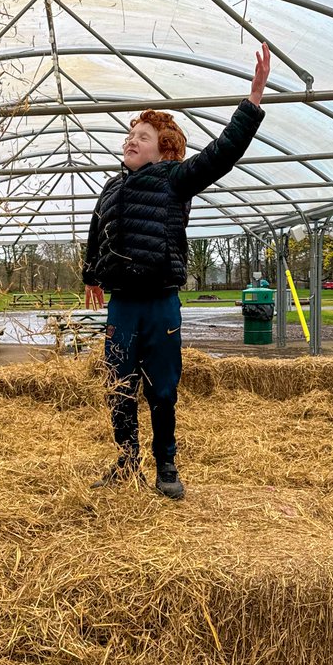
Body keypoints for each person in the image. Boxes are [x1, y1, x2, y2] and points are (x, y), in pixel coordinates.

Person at [82, 44, 271, 499]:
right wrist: (90, 273)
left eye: (142, 136)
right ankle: (127, 460)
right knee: (118, 385)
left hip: (160, 303)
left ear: (163, 149)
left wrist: (253, 102)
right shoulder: (110, 188)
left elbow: (222, 155)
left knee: (162, 388)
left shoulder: (174, 179)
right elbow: (95, 228)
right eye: (129, 134)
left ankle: (166, 462)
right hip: (122, 305)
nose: (130, 140)